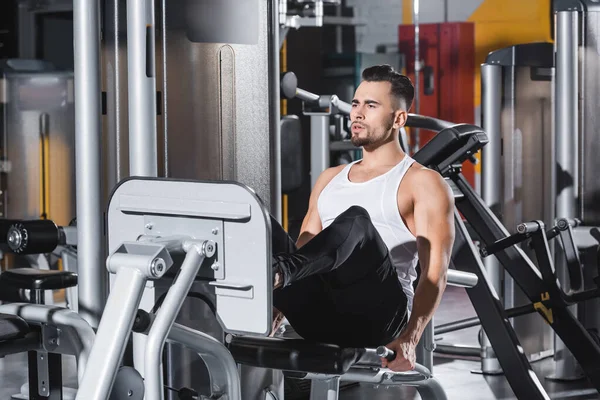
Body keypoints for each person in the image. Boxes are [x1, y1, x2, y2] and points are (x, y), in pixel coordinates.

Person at [270, 64, 455, 373]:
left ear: (398, 119)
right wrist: (280, 304)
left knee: (356, 220)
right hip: (319, 313)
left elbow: (435, 273)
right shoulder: (330, 178)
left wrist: (411, 337)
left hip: (378, 317)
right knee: (255, 218)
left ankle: (275, 274)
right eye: (355, 103)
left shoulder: (422, 182)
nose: (357, 113)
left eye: (371, 105)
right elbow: (306, 249)